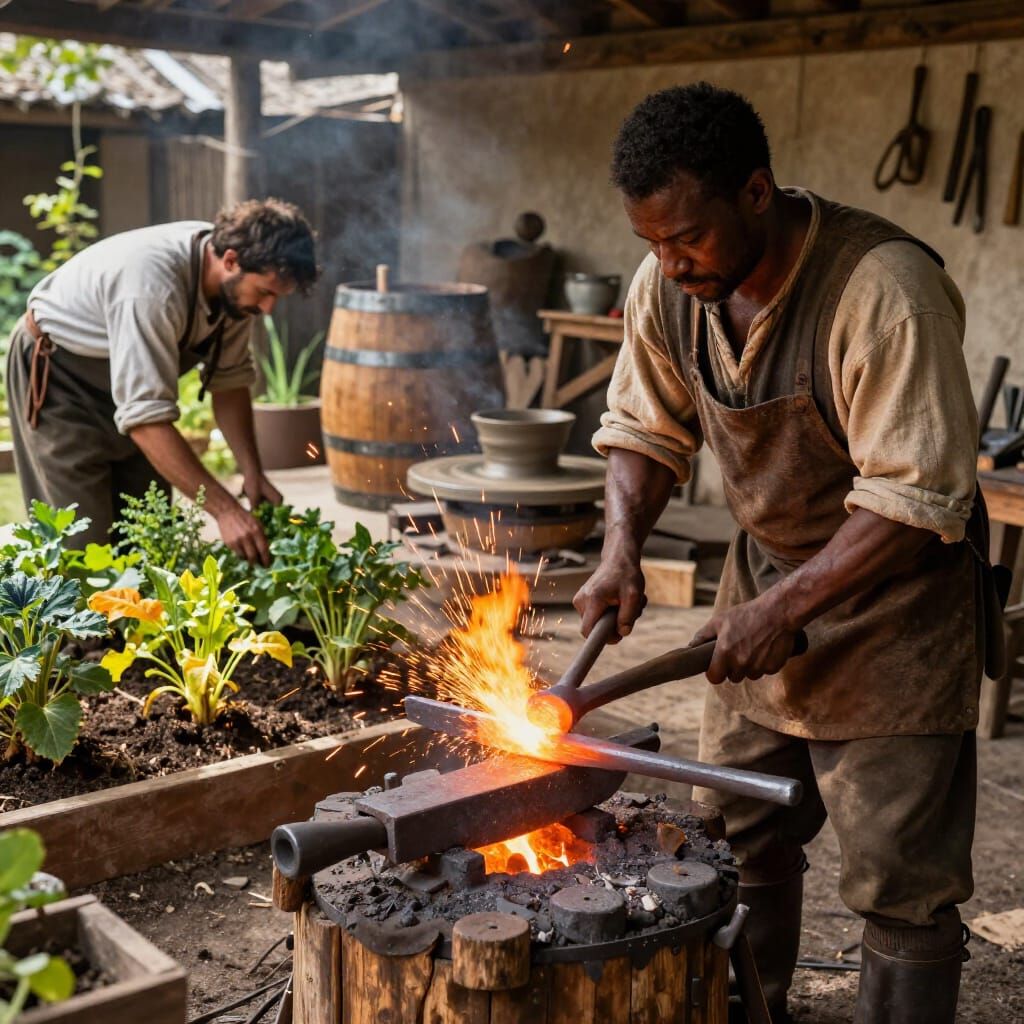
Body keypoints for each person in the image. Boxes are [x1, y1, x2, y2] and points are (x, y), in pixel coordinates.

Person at [574, 83, 999, 1023]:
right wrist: (620, 551)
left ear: (756, 193)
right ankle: (756, 1010)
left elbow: (916, 499)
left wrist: (784, 611)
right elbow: (643, 429)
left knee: (899, 877)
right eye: (652, 242)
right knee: (737, 831)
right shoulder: (669, 285)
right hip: (764, 578)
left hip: (896, 612)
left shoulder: (885, 293)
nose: (670, 263)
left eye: (688, 238)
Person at [5, 197, 319, 563]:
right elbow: (145, 419)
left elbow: (229, 383)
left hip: (126, 387)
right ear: (231, 260)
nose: (268, 308)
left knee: (147, 533)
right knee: (82, 546)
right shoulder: (152, 286)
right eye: (265, 292)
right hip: (61, 381)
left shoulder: (235, 294)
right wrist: (226, 511)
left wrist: (252, 473)